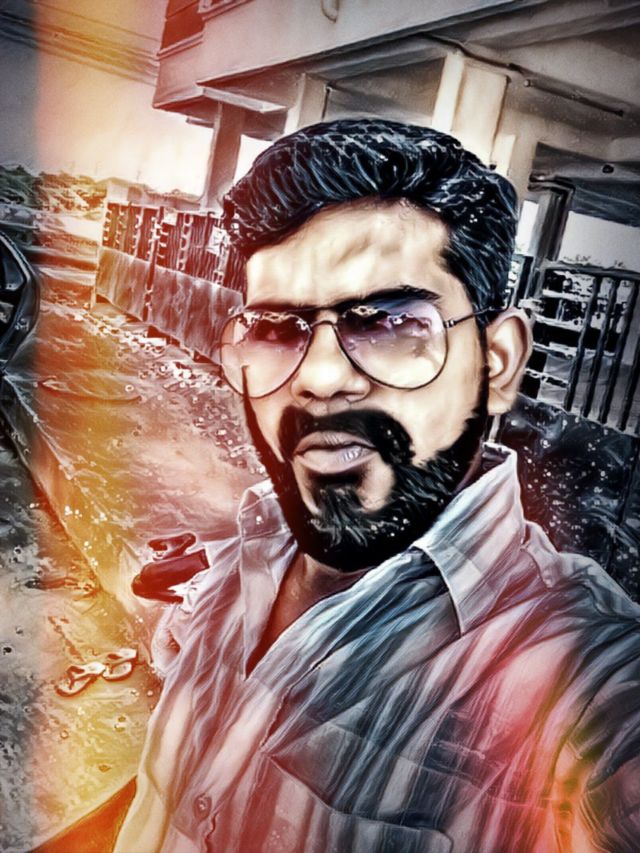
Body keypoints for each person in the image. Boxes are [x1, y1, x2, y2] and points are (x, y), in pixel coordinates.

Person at [115, 120, 640, 853]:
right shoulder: (242, 563)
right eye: (277, 328)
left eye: (391, 323)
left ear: (497, 364)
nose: (319, 377)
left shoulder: (579, 681)